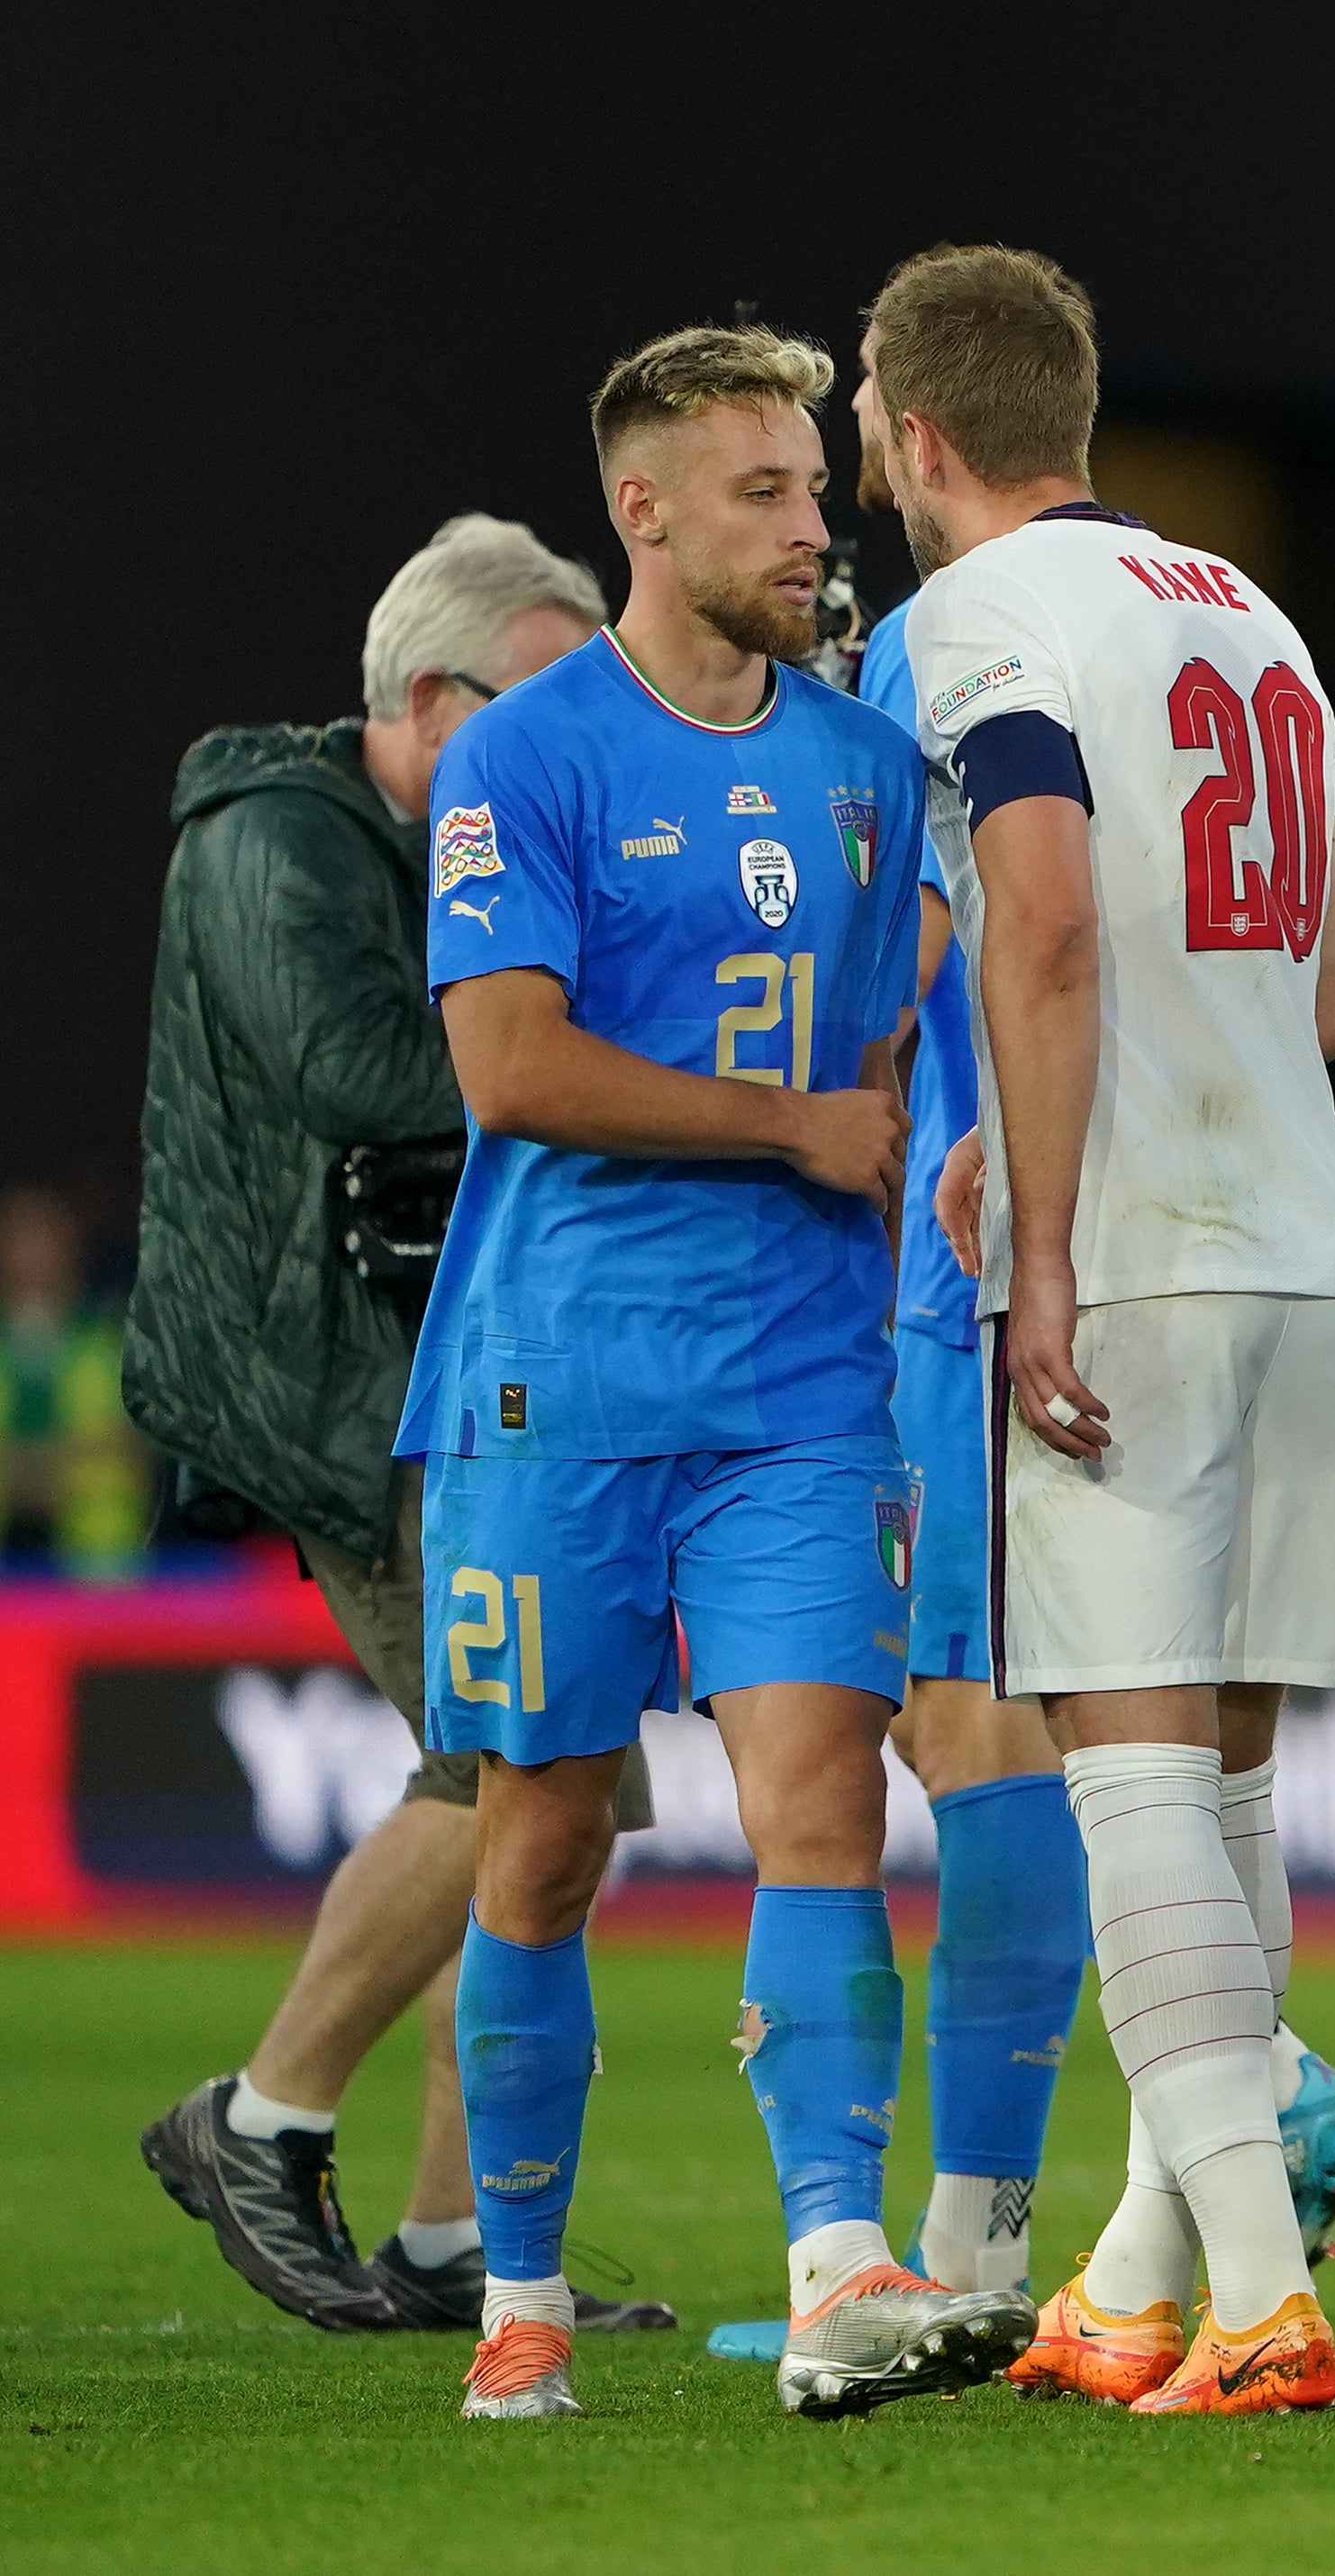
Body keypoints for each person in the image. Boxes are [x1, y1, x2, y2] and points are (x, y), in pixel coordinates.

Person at [413, 324, 1015, 2423]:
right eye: (758, 490)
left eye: (810, 483)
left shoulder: (860, 763)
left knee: (824, 1793)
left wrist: (894, 1134)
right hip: (556, 1372)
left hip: (794, 1376)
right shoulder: (525, 756)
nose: (806, 521)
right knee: (548, 1836)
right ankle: (519, 2287)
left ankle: (838, 2257)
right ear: (643, 513)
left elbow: (884, 1019)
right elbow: (508, 1062)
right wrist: (791, 1131)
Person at [875, 241, 1335, 2419]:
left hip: (1144, 1251)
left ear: (912, 432)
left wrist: (1046, 1221)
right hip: (1307, 1236)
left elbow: (1050, 913)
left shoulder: (980, 621)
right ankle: (1133, 2284)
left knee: (1128, 1761)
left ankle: (1263, 2293)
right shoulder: (1244, 605)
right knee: (1226, 1782)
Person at [123, 515, 671, 2341]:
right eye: (544, 702)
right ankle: (258, 2117)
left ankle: (463, 2237)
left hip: (453, 1359)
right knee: (510, 1767)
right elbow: (358, 1071)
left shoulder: (446, 832)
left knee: (555, 1792)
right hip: (334, 1377)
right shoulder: (269, 838)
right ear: (435, 701)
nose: (578, 742)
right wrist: (594, 1041)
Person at [0, 1192, 148, 1580]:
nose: (33, 1257)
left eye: (44, 1240)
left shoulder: (109, 1342)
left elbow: (133, 1449)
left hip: (96, 1565)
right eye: (20, 1241)